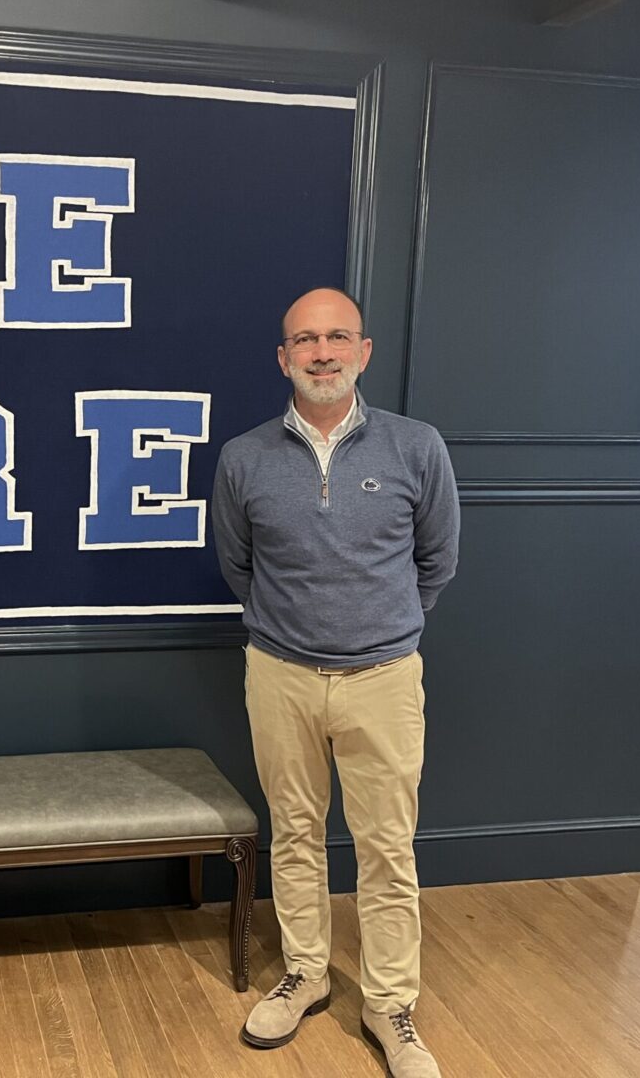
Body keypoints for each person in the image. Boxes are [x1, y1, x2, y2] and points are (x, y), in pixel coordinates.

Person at [211, 286, 459, 1077]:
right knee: (295, 833)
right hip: (279, 674)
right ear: (284, 358)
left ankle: (390, 1005)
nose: (323, 352)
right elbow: (238, 566)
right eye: (306, 340)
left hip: (384, 677)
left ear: (364, 351)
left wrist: (380, 628)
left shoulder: (417, 448)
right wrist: (296, 631)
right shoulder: (245, 457)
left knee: (388, 847)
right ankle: (306, 973)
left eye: (338, 337)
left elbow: (436, 561)